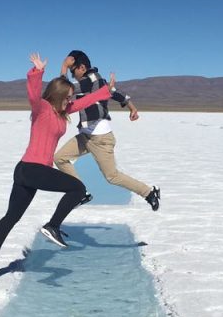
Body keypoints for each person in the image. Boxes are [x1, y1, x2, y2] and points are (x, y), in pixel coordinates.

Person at [0, 52, 117, 283]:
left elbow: (83, 102)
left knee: (12, 216)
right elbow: (33, 94)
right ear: (58, 94)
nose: (70, 100)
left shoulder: (63, 111)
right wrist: (37, 72)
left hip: (27, 171)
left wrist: (105, 92)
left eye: (70, 97)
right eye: (67, 96)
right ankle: (52, 226)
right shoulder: (41, 108)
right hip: (31, 168)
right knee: (77, 189)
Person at [54, 50, 160, 211]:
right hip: (86, 136)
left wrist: (63, 67)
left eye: (72, 70)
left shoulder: (91, 79)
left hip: (101, 140)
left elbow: (65, 89)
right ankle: (81, 192)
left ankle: (149, 193)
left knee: (112, 176)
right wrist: (132, 107)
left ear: (81, 67)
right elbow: (115, 94)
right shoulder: (96, 82)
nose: (72, 74)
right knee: (60, 158)